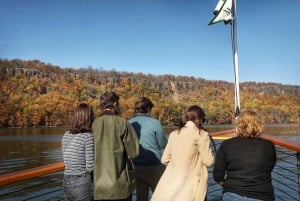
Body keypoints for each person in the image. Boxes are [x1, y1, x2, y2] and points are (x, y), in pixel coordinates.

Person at [151, 105, 215, 201]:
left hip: (171, 183)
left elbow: (164, 159)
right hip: (192, 185)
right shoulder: (201, 134)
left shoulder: (174, 134)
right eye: (203, 120)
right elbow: (209, 161)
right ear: (198, 119)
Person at [213, 110, 276, 201]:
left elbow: (218, 176)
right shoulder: (268, 145)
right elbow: (269, 167)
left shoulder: (226, 145)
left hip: (232, 193)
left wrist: (228, 185)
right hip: (262, 194)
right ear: (259, 125)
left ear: (239, 125)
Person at [92, 91, 139, 201]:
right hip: (120, 187)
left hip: (98, 187)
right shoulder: (123, 123)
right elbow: (134, 152)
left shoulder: (93, 124)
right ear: (115, 104)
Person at [128, 97, 167, 201]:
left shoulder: (129, 123)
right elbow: (163, 144)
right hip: (154, 166)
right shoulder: (154, 123)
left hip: (136, 166)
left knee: (141, 198)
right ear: (148, 109)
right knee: (160, 197)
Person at [62, 103, 95, 201]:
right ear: (88, 119)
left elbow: (65, 159)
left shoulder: (66, 135)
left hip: (66, 180)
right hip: (81, 182)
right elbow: (90, 166)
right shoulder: (88, 136)